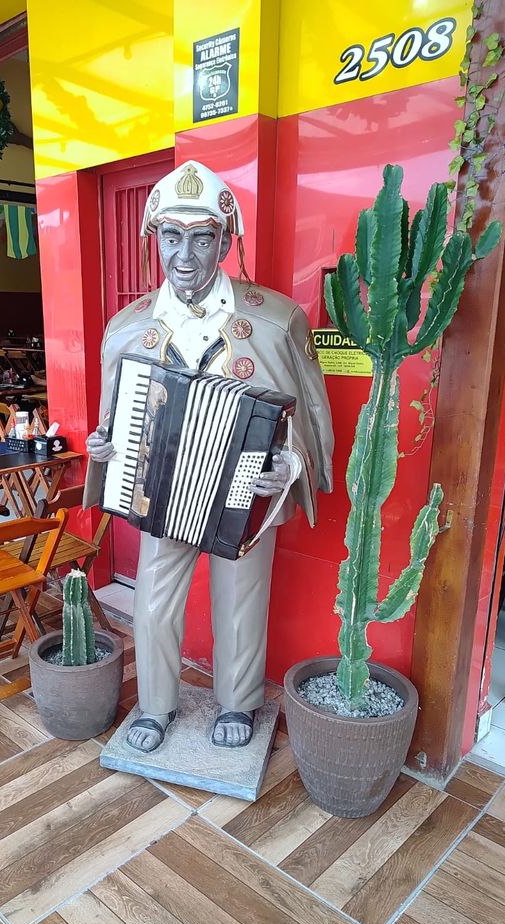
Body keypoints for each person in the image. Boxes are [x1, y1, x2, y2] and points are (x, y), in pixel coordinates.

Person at [85, 160, 333, 753]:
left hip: (244, 490)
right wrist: (105, 449)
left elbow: (311, 413)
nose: (185, 255)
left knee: (242, 600)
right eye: (172, 236)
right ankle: (155, 706)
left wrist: (291, 465)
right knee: (153, 602)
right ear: (156, 239)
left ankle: (239, 703)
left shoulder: (275, 322)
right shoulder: (126, 328)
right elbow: (111, 421)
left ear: (225, 242)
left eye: (201, 238)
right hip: (161, 492)